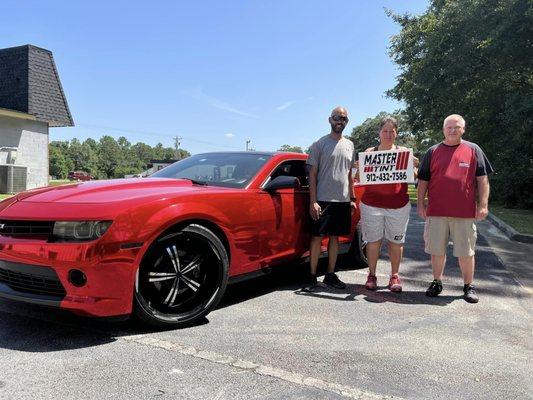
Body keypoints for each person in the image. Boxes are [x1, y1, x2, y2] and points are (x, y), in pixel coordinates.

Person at [417, 114, 493, 303]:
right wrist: (420, 204)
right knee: (436, 251)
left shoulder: (473, 150)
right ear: (443, 129)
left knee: (466, 252)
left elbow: (482, 180)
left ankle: (468, 285)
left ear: (463, 129)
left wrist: (483, 204)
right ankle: (437, 282)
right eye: (449, 127)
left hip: (464, 213)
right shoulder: (432, 151)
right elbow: (423, 180)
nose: (452, 130)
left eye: (456, 127)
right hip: (436, 211)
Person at [357, 117, 416, 292]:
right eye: (385, 131)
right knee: (373, 240)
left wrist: (414, 167)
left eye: (392, 131)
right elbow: (359, 177)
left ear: (396, 133)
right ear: (379, 133)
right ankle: (372, 275)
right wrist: (359, 167)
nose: (388, 134)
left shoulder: (404, 152)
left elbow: (415, 176)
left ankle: (394, 275)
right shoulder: (370, 152)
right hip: (371, 205)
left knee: (396, 242)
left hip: (398, 205)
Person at [303, 106, 356, 291]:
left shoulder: (350, 145)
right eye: (336, 117)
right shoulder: (319, 144)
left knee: (335, 238)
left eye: (344, 119)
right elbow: (312, 174)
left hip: (342, 201)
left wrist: (352, 198)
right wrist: (313, 201)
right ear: (330, 120)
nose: (340, 121)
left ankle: (330, 275)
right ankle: (311, 277)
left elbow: (350, 174)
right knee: (317, 238)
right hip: (322, 200)